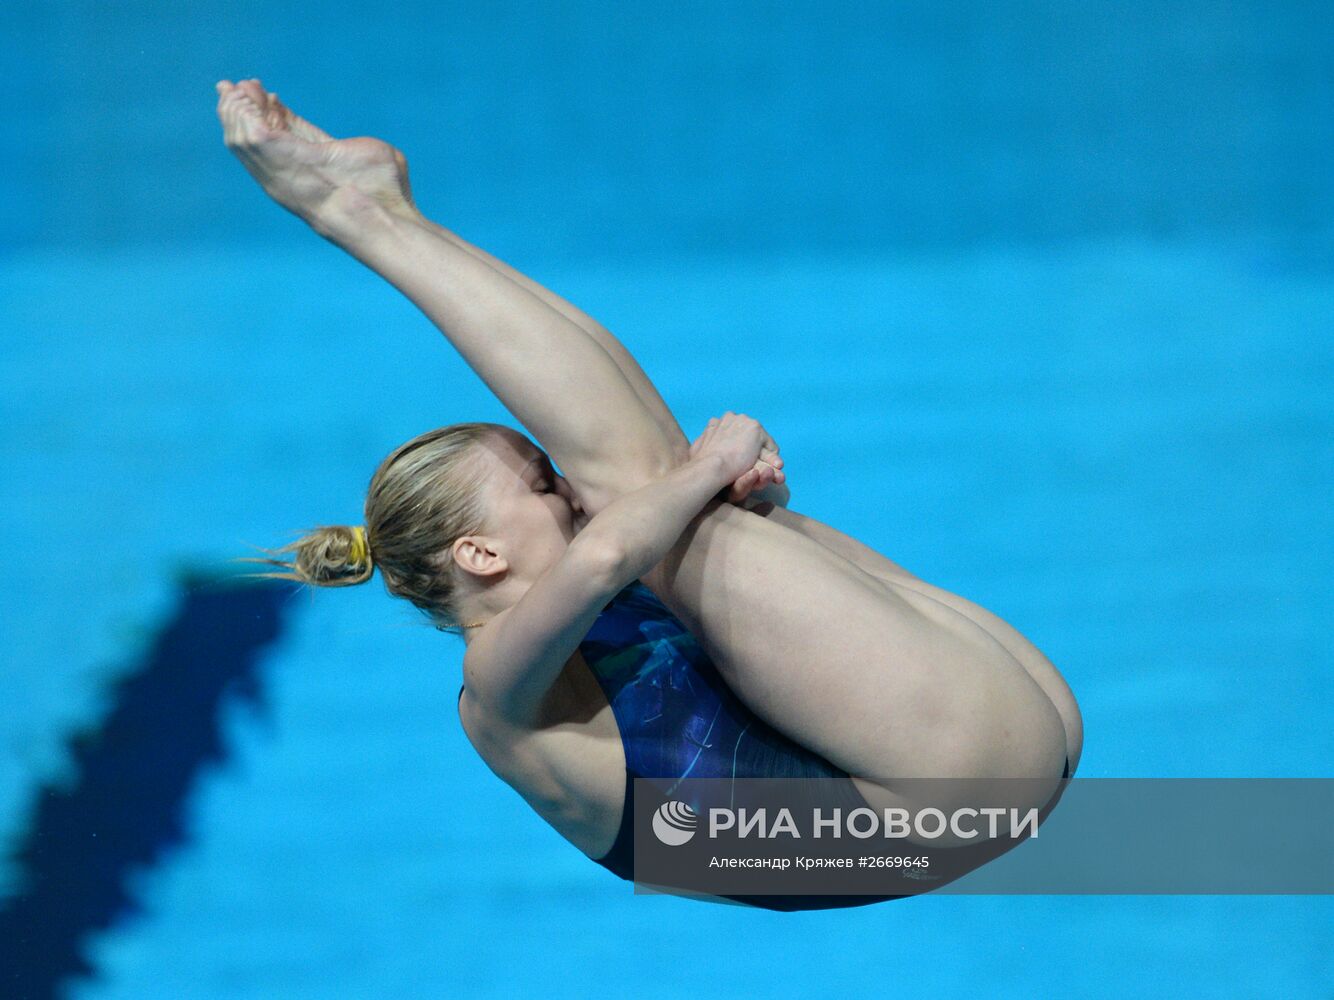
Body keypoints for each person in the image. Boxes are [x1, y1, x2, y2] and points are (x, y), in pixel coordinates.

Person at [216, 78, 1083, 909]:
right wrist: (709, 469)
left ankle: (382, 214)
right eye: (544, 483)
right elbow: (602, 553)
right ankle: (356, 213)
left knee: (658, 483)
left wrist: (750, 508)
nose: (571, 491)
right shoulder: (495, 692)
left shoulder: (609, 590)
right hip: (939, 799)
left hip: (967, 772)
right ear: (479, 554)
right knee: (649, 481)